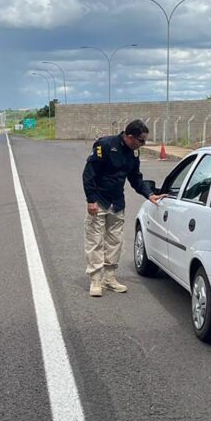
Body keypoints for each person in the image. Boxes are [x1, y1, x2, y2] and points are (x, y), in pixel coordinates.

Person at [82, 119, 165, 297]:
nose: (143, 144)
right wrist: (91, 199)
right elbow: (89, 173)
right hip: (99, 201)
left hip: (117, 202)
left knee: (115, 241)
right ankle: (96, 279)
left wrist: (149, 194)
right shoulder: (105, 145)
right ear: (130, 137)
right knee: (95, 241)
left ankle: (109, 278)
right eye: (141, 140)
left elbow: (135, 178)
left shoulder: (133, 153)